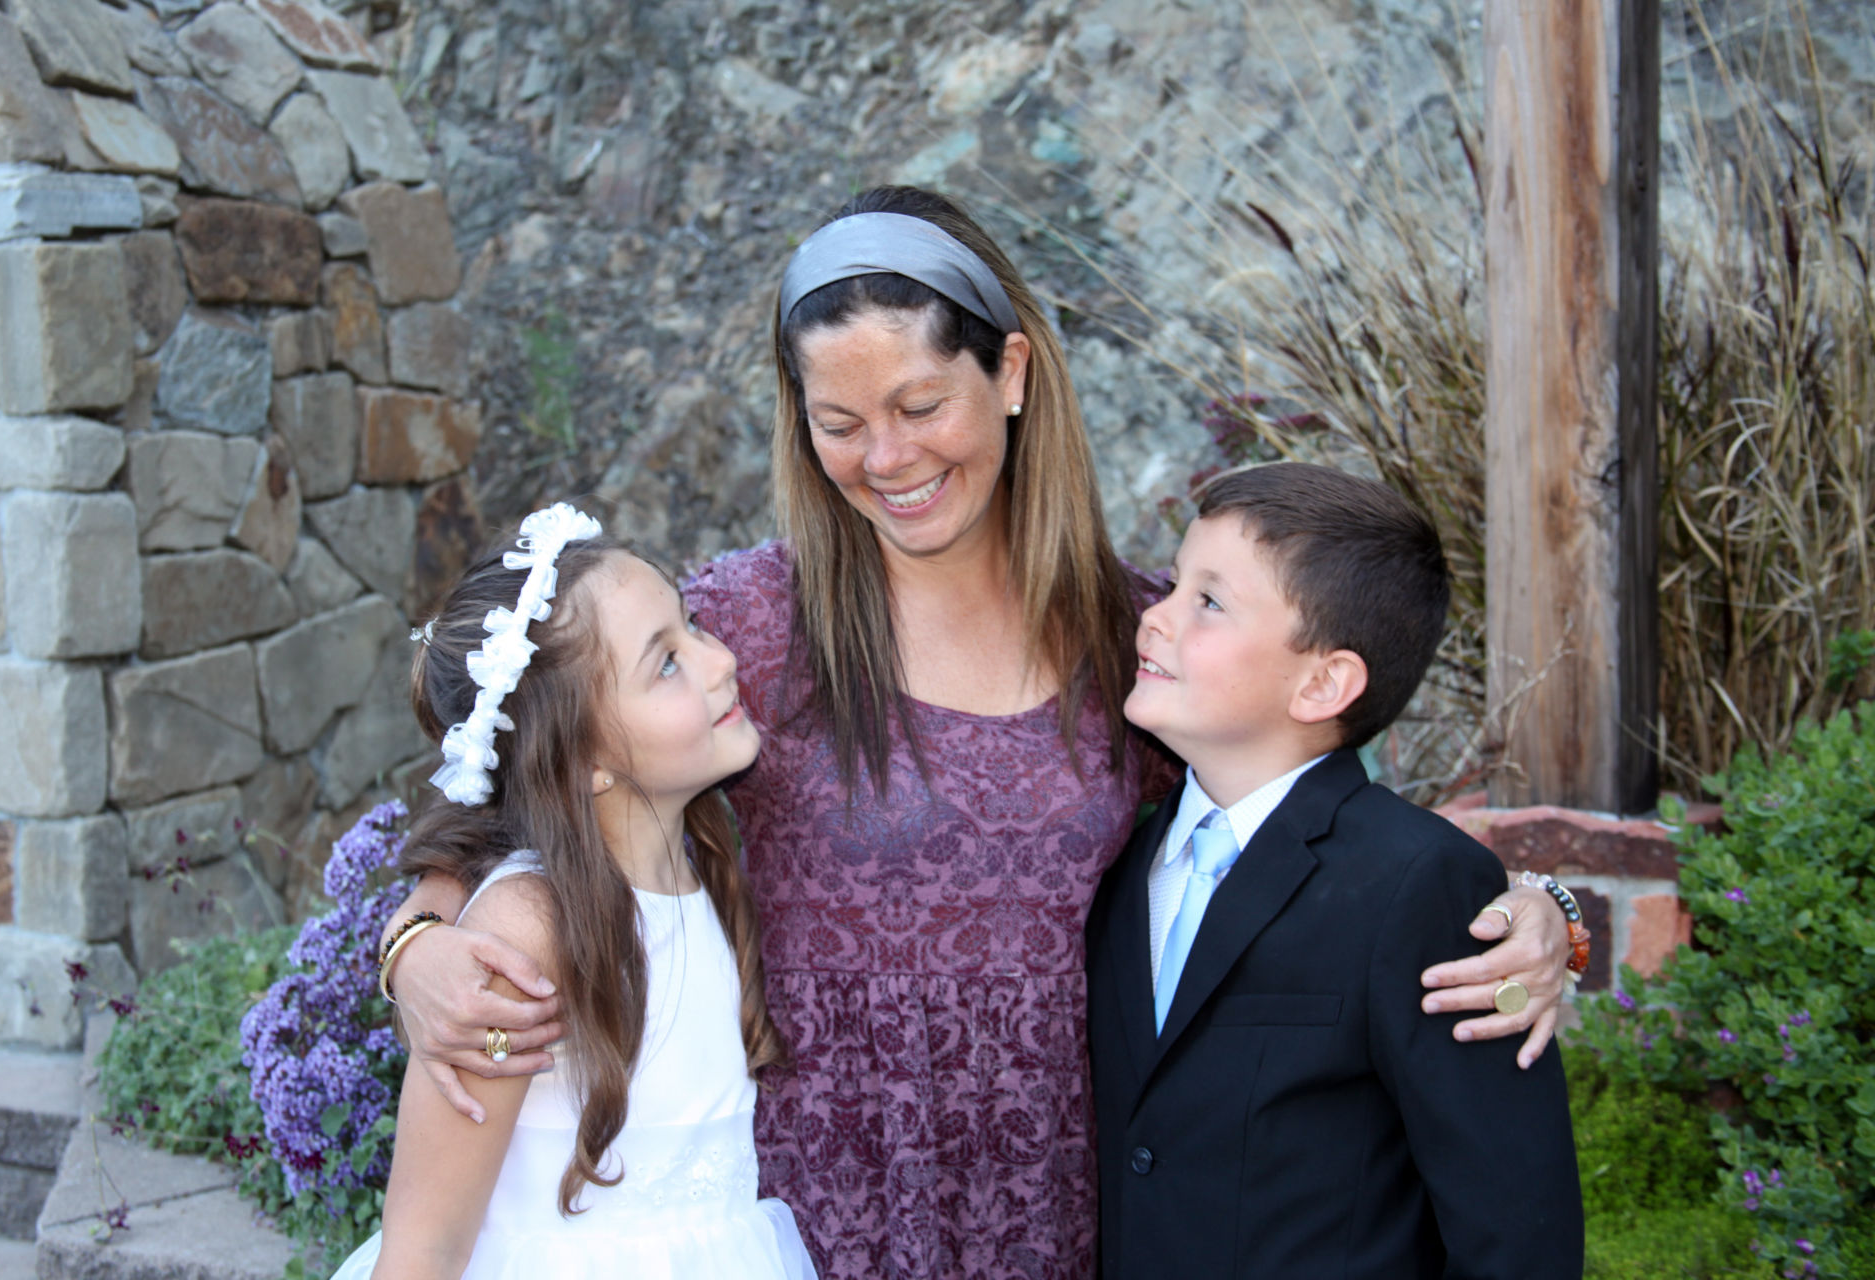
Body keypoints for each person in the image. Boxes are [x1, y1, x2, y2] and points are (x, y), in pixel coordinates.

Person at [378, 187, 1581, 1279]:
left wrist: (1535, 912)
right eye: (837, 420)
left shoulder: (1138, 635)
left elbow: (1319, 826)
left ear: (1009, 371)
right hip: (801, 1219)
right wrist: (419, 945)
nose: (885, 459)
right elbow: (520, 769)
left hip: (1066, 1213)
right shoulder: (745, 620)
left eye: (918, 404)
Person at [1086, 464, 1585, 1279]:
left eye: (1207, 602)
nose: (1154, 618)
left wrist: (1544, 906)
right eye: (1174, 585)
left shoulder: (1418, 883)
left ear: (1323, 682)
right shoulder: (1117, 862)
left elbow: (1516, 1232)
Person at [334, 504, 817, 1280]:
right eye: (665, 663)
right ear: (583, 760)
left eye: (690, 625)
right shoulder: (524, 931)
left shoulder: (700, 870)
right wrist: (444, 986)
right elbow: (425, 1245)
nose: (718, 659)